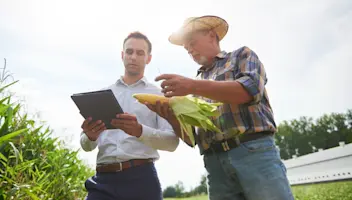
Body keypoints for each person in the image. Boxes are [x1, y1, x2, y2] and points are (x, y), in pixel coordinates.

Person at [145, 15, 294, 200]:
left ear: (211, 35)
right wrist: (171, 117)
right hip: (214, 163)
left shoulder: (241, 55)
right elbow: (192, 138)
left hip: (253, 152)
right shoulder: (195, 82)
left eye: (192, 43)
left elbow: (249, 91)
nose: (189, 50)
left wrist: (192, 86)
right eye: (186, 48)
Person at [79, 31, 179, 200]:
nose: (133, 57)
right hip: (102, 180)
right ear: (122, 55)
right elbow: (86, 145)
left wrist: (139, 131)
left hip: (141, 180)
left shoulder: (160, 96)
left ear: (149, 58)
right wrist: (89, 135)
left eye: (140, 53)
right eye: (129, 51)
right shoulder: (103, 94)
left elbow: (172, 143)